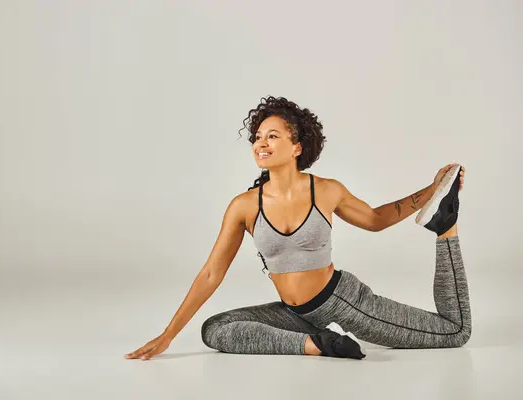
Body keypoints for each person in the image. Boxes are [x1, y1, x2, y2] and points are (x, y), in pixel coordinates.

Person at [125, 96, 470, 361]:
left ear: (297, 147)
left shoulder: (326, 190)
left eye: (272, 136)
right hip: (296, 314)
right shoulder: (243, 206)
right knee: (215, 329)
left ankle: (446, 226)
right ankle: (317, 344)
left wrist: (432, 192)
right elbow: (212, 273)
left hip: (343, 303)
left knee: (455, 332)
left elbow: (375, 220)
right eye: (257, 137)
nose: (260, 143)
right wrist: (169, 334)